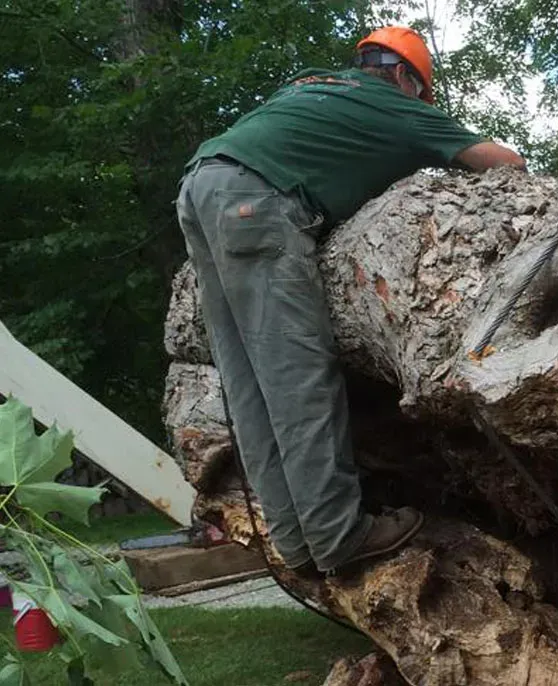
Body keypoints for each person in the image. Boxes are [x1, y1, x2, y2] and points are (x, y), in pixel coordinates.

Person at [174, 26, 526, 578]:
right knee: (296, 375)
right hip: (257, 203)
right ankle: (337, 536)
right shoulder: (397, 104)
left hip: (201, 188)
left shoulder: (312, 85)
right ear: (407, 77)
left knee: (249, 384)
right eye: (418, 90)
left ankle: (295, 540)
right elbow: (503, 161)